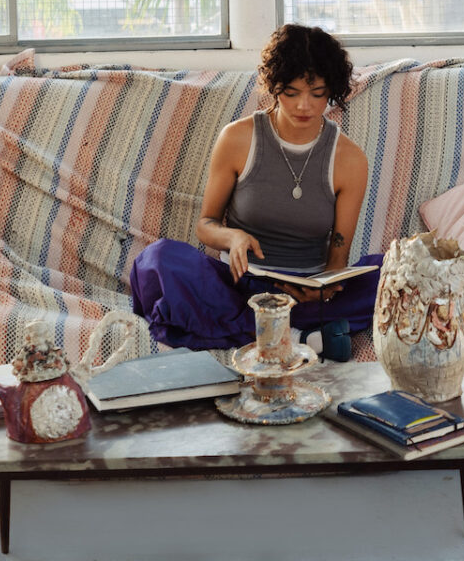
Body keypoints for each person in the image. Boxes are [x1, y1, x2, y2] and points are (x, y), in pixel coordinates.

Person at [129, 24, 382, 360]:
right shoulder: (237, 138)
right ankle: (296, 334)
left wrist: (326, 289)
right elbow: (206, 224)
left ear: (331, 89)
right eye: (291, 92)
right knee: (157, 260)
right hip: (240, 286)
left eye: (317, 93)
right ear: (274, 86)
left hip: (307, 295)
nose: (304, 105)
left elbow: (338, 258)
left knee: (395, 274)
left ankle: (265, 328)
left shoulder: (350, 159)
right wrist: (232, 237)